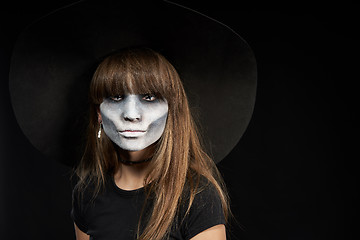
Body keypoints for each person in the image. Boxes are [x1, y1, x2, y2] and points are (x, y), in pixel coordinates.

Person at [71, 47, 231, 240]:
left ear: (171, 110)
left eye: (148, 97)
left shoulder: (197, 197)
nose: (131, 114)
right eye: (116, 97)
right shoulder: (87, 193)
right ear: (99, 113)